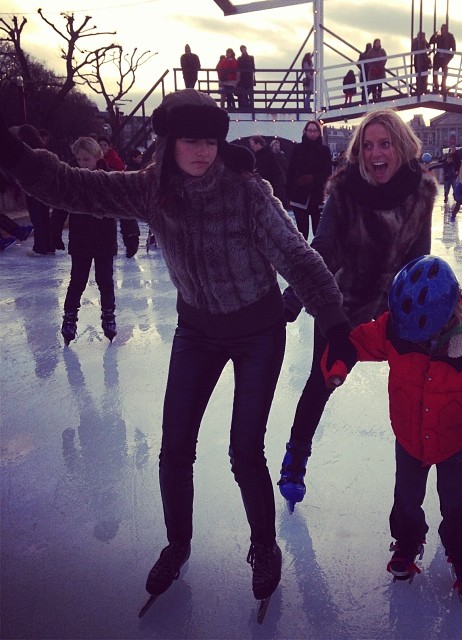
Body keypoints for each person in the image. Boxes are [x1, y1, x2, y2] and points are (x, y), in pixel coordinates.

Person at [0, 89, 352, 607]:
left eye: (210, 141)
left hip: (257, 331)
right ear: (170, 143)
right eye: (191, 141)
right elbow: (72, 186)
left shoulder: (247, 192)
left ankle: (264, 545)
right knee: (175, 445)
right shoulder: (152, 189)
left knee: (244, 448)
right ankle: (177, 544)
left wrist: (336, 321)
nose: (203, 151)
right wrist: (14, 154)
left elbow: (296, 257)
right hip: (197, 330)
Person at [321, 255, 462, 596]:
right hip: (409, 437)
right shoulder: (397, 329)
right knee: (406, 498)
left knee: (458, 504)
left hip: (454, 442)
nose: (413, 340)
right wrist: (338, 364)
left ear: (447, 317)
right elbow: (359, 341)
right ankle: (407, 543)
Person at [278, 108, 437, 512]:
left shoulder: (421, 192)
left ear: (401, 146)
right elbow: (323, 249)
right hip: (344, 303)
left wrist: (429, 310)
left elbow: (420, 258)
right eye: (367, 146)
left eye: (384, 144)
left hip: (397, 304)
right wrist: (293, 298)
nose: (375, 153)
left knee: (429, 380)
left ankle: (458, 462)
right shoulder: (344, 191)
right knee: (322, 379)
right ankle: (296, 455)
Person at [58, 137, 139, 345]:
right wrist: (54, 231)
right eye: (79, 159)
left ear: (97, 157)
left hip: (104, 238)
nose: (82, 164)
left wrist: (131, 235)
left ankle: (108, 316)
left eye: (86, 159)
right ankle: (69, 319)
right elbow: (60, 203)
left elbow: (123, 205)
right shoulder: (72, 178)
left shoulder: (109, 178)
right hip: (80, 238)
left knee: (105, 280)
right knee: (77, 280)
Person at [285, 120, 332, 240]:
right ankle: (303, 251)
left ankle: (317, 252)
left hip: (317, 196)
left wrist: (312, 178)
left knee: (318, 232)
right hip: (299, 196)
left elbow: (327, 173)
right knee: (302, 232)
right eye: (310, 130)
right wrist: (288, 193)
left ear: (319, 133)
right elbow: (291, 171)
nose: (312, 133)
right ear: (305, 132)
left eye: (315, 131)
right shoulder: (298, 149)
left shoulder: (324, 151)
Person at [16, 125, 55, 255]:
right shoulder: (43, 150)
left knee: (37, 218)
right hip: (45, 189)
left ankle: (40, 247)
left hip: (33, 189)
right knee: (44, 217)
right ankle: (49, 245)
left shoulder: (26, 151)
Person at [249, 135, 286, 205]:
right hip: (274, 184)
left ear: (258, 144)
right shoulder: (264, 153)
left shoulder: (264, 154)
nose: (251, 147)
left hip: (274, 185)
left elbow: (264, 171)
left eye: (253, 145)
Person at [429, 23, 456, 94]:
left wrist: (449, 58)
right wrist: (434, 35)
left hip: (445, 58)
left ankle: (443, 86)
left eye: (443, 29)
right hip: (438, 58)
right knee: (435, 72)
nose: (441, 30)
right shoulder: (439, 36)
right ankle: (436, 85)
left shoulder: (450, 37)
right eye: (441, 29)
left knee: (444, 72)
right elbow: (431, 42)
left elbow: (454, 49)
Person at [411, 31, 431, 95]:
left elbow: (428, 47)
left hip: (424, 61)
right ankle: (419, 89)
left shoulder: (424, 42)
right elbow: (413, 50)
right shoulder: (416, 42)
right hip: (418, 61)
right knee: (419, 76)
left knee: (424, 76)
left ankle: (424, 88)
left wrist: (425, 41)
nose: (423, 37)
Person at [237, 45, 256, 110]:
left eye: (244, 49)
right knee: (245, 93)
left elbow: (253, 67)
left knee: (249, 93)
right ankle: (247, 106)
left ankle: (250, 106)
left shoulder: (250, 58)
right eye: (243, 49)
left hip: (248, 78)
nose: (244, 50)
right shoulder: (241, 58)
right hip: (244, 78)